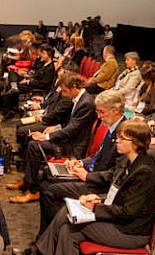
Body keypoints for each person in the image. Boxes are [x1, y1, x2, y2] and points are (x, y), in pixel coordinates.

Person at [15, 120, 155, 255]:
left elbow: (128, 212)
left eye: (121, 138)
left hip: (130, 232)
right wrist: (97, 199)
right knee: (67, 228)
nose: (116, 141)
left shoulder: (145, 172)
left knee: (69, 221)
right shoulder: (127, 161)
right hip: (118, 219)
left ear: (135, 142)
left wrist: (95, 208)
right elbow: (115, 193)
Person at [34, 92, 126, 229]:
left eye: (102, 112)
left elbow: (116, 174)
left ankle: (54, 233)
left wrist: (87, 176)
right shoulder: (112, 128)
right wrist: (80, 163)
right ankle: (52, 234)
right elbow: (99, 156)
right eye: (98, 112)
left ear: (116, 110)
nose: (99, 117)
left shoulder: (124, 134)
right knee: (46, 175)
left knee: (50, 190)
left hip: (100, 185)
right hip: (92, 174)